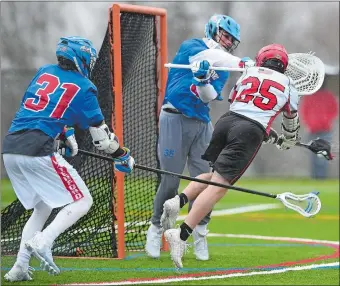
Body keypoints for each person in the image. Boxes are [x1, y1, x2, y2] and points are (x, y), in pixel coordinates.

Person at [2, 36, 135, 282]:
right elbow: (102, 140)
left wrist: (65, 134)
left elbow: (38, 108)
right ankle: (45, 240)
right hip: (37, 147)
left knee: (42, 206)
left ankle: (20, 266)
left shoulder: (44, 72)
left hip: (10, 148)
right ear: (82, 59)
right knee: (83, 200)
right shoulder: (84, 87)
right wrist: (121, 155)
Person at [160, 44, 302, 268]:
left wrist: (264, 129)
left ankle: (178, 201)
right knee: (219, 187)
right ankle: (181, 235)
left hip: (227, 122)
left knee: (214, 176)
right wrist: (289, 138)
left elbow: (238, 99)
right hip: (249, 130)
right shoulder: (289, 84)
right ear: (283, 66)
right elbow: (290, 118)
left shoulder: (249, 72)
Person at [145, 14, 254, 261]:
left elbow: (208, 96)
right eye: (225, 36)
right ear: (213, 31)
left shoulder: (222, 64)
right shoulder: (193, 47)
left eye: (232, 39)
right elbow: (214, 56)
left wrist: (203, 79)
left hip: (201, 123)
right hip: (174, 117)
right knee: (170, 181)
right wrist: (240, 63)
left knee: (207, 181)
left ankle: (200, 233)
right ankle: (155, 228)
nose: (228, 41)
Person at [299, 76, 338, 179]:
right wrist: (309, 124)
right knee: (313, 155)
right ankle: (315, 177)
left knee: (322, 155)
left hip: (325, 130)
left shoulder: (328, 96)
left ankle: (321, 177)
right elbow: (304, 112)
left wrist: (325, 121)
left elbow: (334, 111)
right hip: (312, 131)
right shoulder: (309, 97)